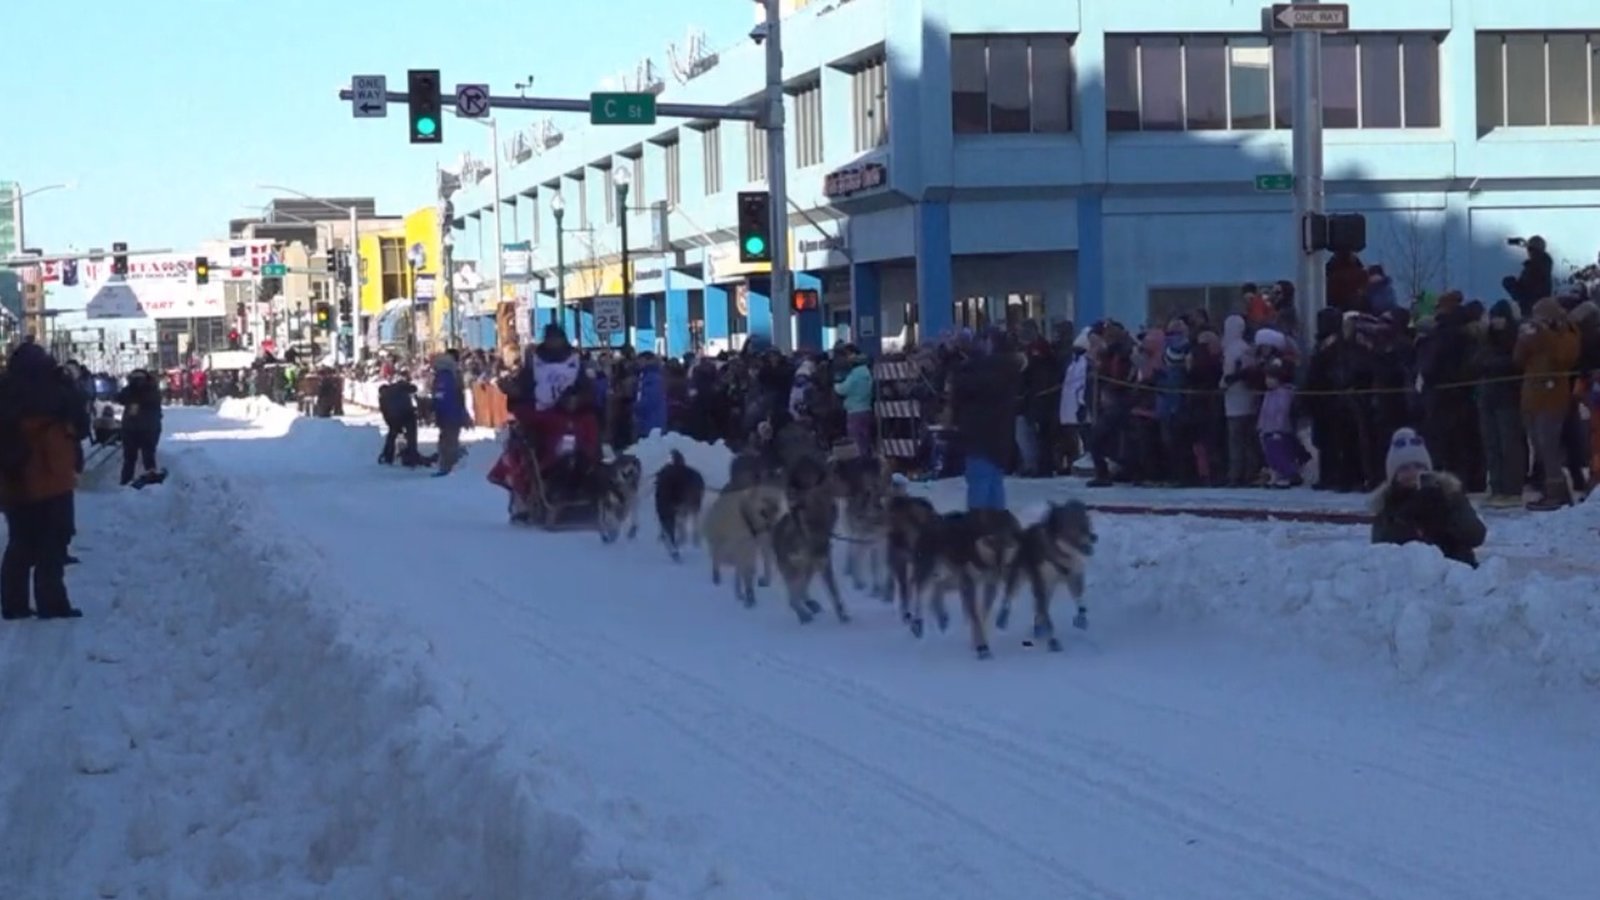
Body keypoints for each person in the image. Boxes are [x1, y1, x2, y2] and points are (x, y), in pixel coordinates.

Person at [0, 342, 86, 620]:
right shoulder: (57, 391)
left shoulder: (5, 391)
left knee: (20, 543)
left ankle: (14, 604)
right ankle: (52, 603)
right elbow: (82, 423)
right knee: (53, 542)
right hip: (53, 475)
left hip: (15, 479)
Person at [1370, 427, 1486, 568]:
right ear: (1394, 475)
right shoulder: (1387, 503)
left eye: (1418, 466)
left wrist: (1446, 513)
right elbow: (1382, 549)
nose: (1412, 473)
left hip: (1458, 572)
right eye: (1404, 468)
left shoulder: (1448, 493)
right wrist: (1407, 518)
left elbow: (1476, 535)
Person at [951, 329, 1021, 510]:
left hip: (978, 435)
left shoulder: (974, 372)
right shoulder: (1009, 370)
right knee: (994, 483)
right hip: (1000, 436)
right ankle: (997, 526)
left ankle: (978, 528)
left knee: (979, 482)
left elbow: (961, 393)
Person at [115, 369, 164, 486]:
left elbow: (119, 398)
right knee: (148, 456)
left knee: (130, 459)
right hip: (148, 428)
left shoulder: (131, 390)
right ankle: (151, 482)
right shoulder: (152, 389)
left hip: (131, 428)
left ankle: (125, 483)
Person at [430, 349, 471, 476]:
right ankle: (448, 467)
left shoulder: (441, 376)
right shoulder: (450, 375)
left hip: (445, 413)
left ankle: (446, 465)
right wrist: (461, 414)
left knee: (446, 439)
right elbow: (456, 396)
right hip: (451, 412)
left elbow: (439, 396)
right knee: (450, 440)